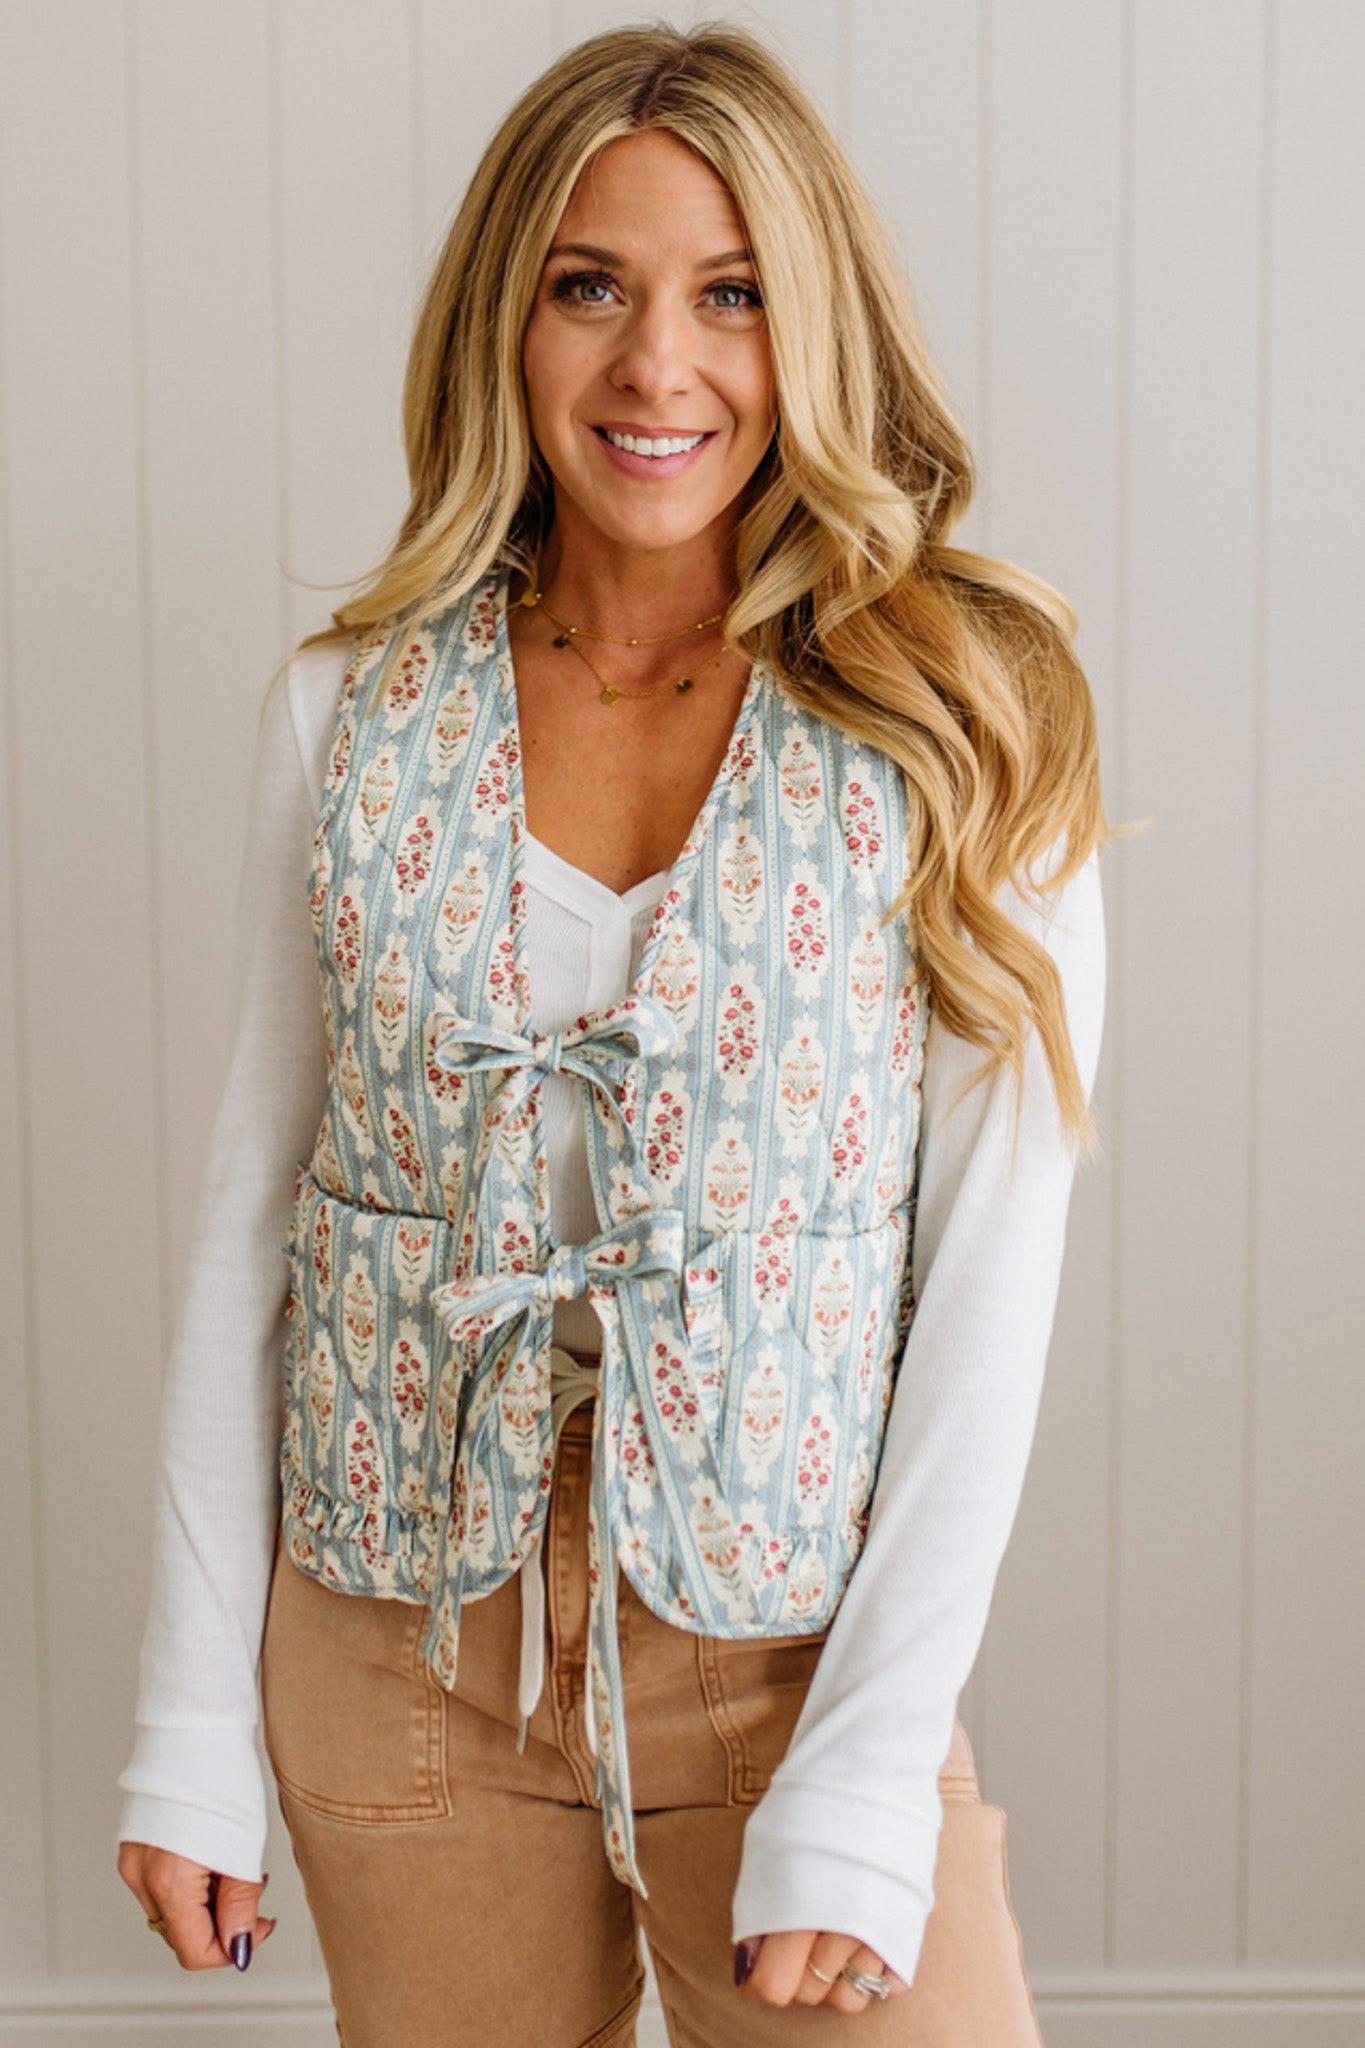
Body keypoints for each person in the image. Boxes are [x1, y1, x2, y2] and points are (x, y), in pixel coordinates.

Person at [116, 20, 1114, 2044]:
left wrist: (863, 1765)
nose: (658, 367)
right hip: (398, 1649)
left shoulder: (959, 720)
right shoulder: (346, 715)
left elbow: (989, 1275)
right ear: (510, 317)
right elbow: (254, 1224)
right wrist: (183, 1720)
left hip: (783, 1657)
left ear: (807, 326)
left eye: (729, 295)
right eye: (592, 287)